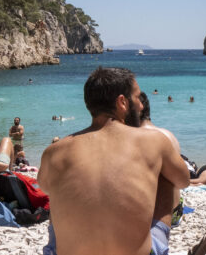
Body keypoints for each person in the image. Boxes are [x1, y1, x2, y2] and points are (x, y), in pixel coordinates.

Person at [39, 67, 189, 255]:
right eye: (137, 98)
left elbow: (45, 186)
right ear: (122, 102)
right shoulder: (155, 141)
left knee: (60, 188)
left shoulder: (54, 151)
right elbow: (183, 181)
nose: (141, 106)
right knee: (167, 176)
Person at [138, 92, 185, 231]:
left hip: (156, 217)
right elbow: (182, 181)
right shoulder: (168, 134)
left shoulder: (135, 138)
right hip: (176, 212)